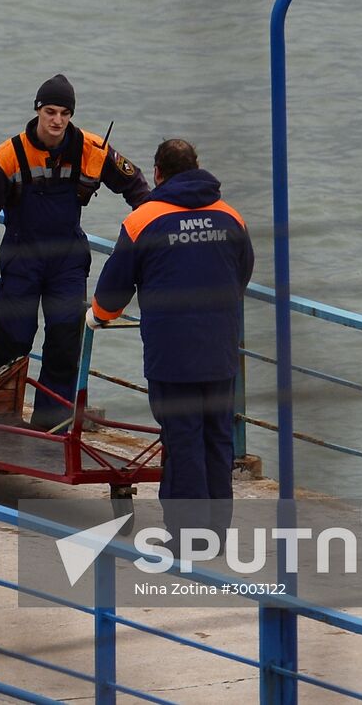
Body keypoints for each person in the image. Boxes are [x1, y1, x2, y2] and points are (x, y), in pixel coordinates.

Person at [0, 74, 149, 429]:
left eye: (64, 113)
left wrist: (155, 231)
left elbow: (138, 189)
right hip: (22, 258)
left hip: (68, 261)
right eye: (50, 111)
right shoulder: (10, 155)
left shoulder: (92, 150)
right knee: (12, 340)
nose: (57, 120)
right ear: (37, 110)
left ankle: (51, 424)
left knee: (64, 340)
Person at [89, 138, 254, 542]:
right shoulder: (230, 217)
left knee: (182, 440)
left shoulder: (144, 219)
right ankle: (217, 531)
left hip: (172, 352)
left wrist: (99, 316)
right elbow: (242, 273)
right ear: (198, 166)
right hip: (220, 348)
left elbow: (114, 287)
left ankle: (187, 534)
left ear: (158, 174)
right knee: (217, 437)